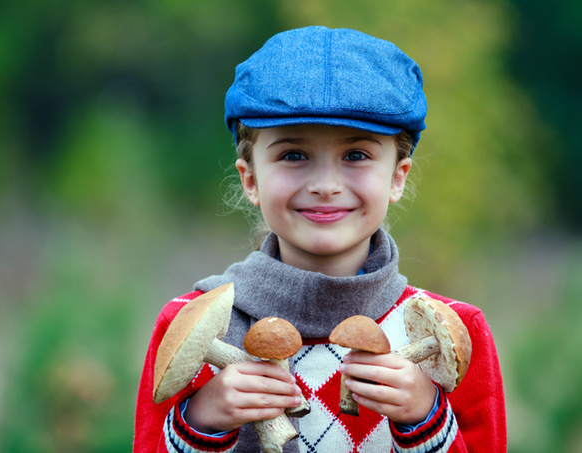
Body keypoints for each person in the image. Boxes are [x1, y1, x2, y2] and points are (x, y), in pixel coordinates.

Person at [134, 26, 506, 452]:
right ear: (251, 178)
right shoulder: (188, 325)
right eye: (293, 155)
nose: (326, 184)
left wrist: (426, 416)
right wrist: (201, 420)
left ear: (397, 177)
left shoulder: (457, 334)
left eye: (356, 155)